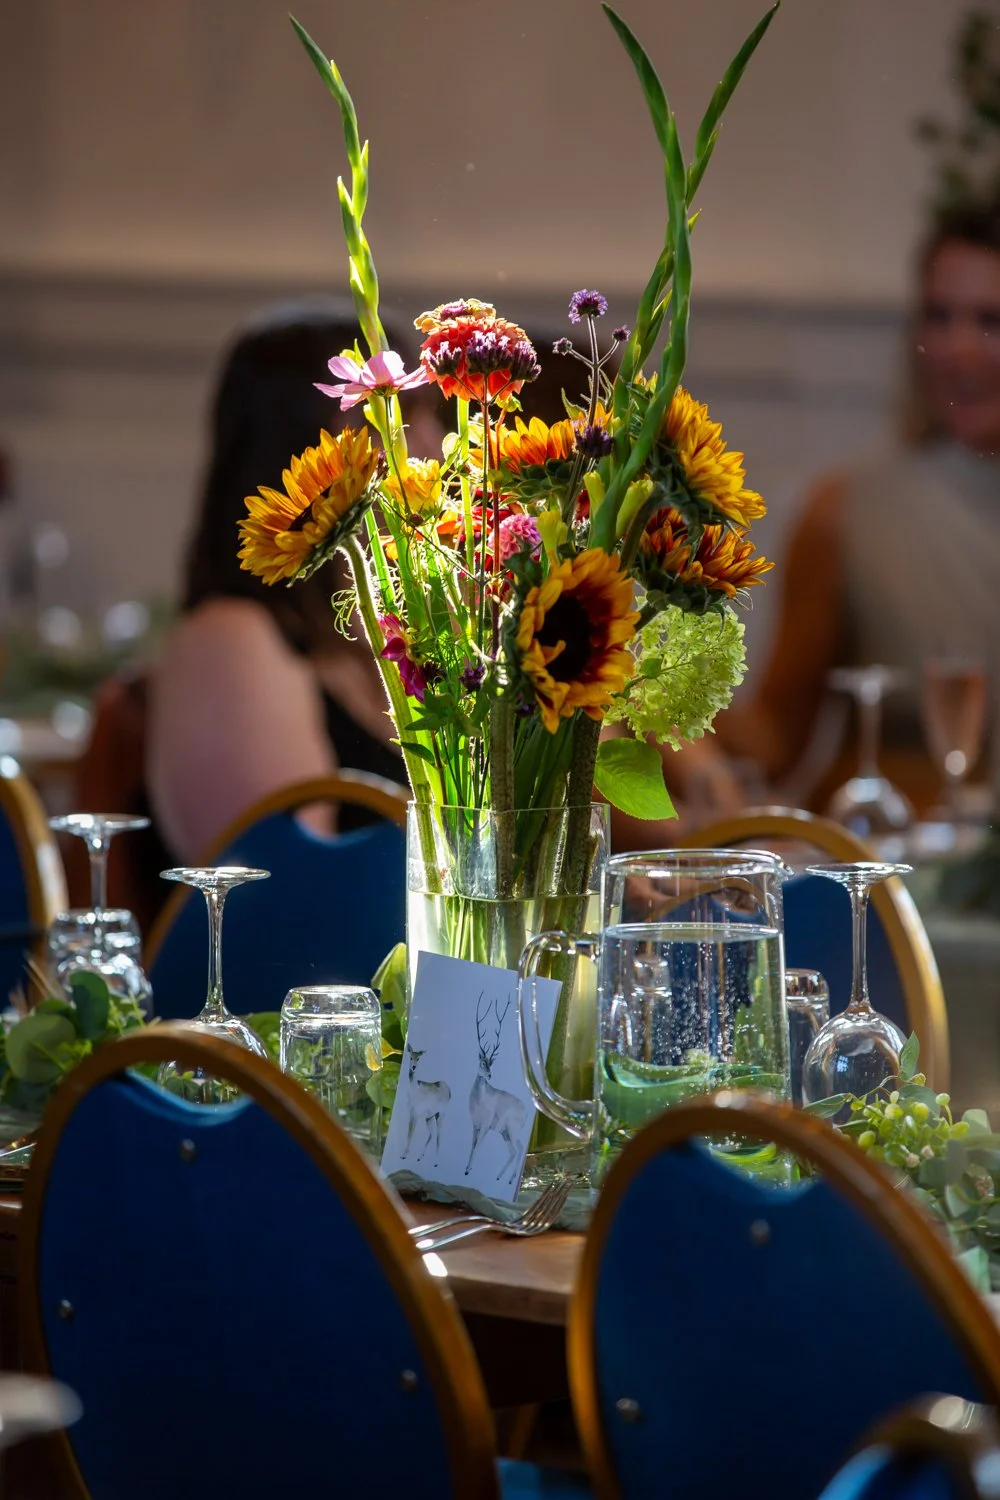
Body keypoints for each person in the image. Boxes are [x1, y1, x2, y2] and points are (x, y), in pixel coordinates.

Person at [713, 203, 1000, 805]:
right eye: (939, 317)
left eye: (990, 321)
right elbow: (774, 738)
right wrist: (658, 691)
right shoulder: (843, 513)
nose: (959, 350)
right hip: (892, 847)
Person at [145, 300, 443, 867]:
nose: (428, 446)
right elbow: (285, 885)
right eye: (390, 420)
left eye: (426, 415)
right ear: (297, 451)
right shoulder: (230, 639)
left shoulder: (379, 627)